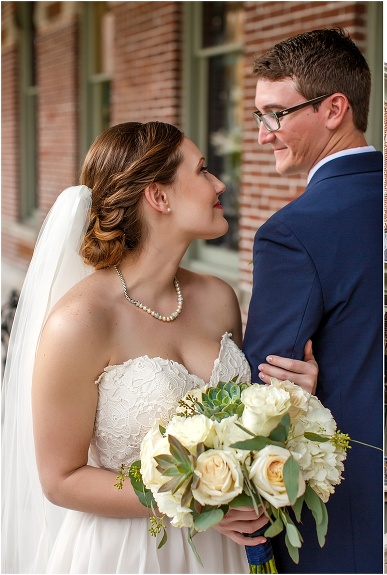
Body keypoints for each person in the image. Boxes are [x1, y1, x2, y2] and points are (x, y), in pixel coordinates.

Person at [1, 121, 319, 573]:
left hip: (224, 552)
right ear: (159, 196)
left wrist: (292, 400)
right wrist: (198, 499)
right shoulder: (80, 322)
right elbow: (60, 479)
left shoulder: (219, 298)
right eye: (203, 171)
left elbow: (244, 424)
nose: (219, 183)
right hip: (130, 552)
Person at [243, 28, 383, 573]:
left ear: (334, 109)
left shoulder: (292, 232)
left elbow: (262, 397)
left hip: (338, 528)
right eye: (260, 117)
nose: (262, 136)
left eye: (276, 115)